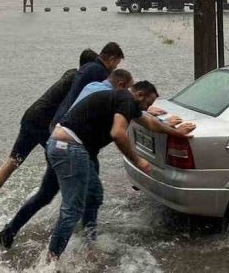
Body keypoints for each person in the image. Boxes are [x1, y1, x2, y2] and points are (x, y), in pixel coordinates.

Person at [44, 80, 195, 261]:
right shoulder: (125, 98)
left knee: (94, 195)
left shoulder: (124, 101)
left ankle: (89, 246)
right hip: (68, 147)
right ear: (139, 95)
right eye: (148, 103)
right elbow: (118, 133)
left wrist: (176, 132)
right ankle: (52, 260)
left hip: (72, 147)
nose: (148, 107)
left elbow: (151, 123)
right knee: (73, 209)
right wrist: (138, 161)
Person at [0, 42, 124, 248]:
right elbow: (112, 108)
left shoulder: (85, 72)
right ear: (111, 59)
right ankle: (87, 244)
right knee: (92, 195)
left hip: (56, 138)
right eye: (116, 64)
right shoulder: (99, 73)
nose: (114, 69)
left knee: (45, 195)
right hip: (76, 145)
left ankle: (8, 232)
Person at [0, 48, 99, 212]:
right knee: (64, 161)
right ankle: (69, 204)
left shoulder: (71, 73)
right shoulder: (77, 81)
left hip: (31, 117)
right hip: (43, 124)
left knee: (13, 161)